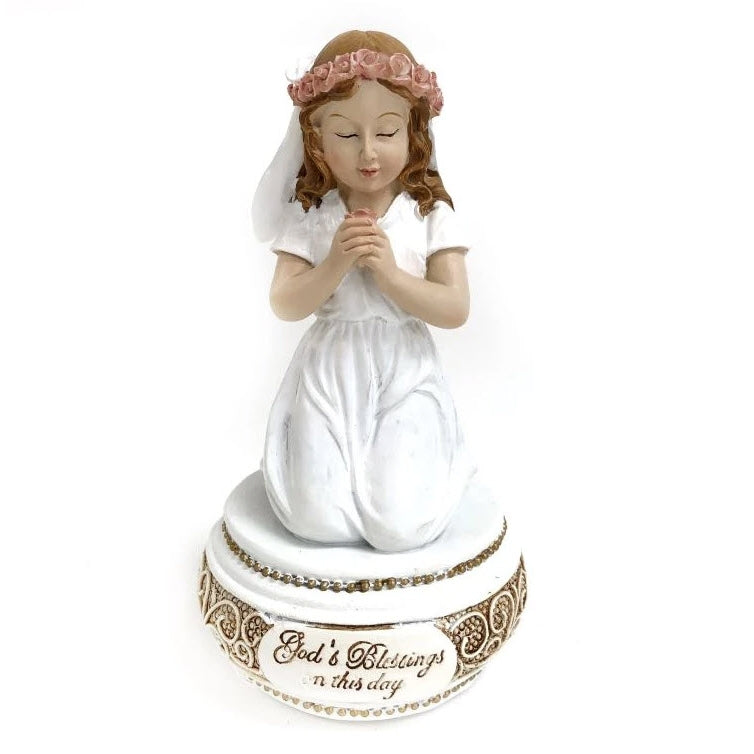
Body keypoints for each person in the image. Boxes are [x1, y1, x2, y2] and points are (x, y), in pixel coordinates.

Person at [253, 30, 477, 552]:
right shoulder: (313, 213)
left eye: (388, 131)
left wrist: (392, 276)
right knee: (317, 523)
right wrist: (335, 262)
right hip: (330, 373)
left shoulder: (427, 212)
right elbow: (284, 302)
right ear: (316, 138)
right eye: (347, 134)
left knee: (398, 528)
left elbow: (456, 308)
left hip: (402, 370)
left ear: (414, 131)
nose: (369, 152)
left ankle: (440, 462)